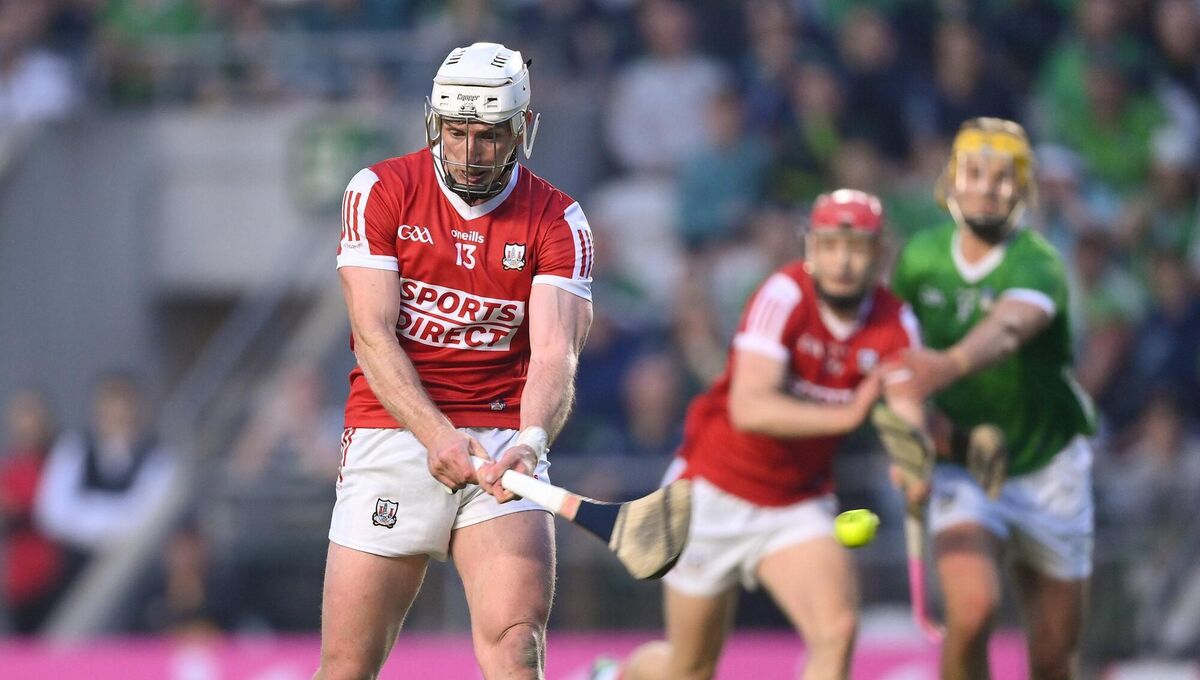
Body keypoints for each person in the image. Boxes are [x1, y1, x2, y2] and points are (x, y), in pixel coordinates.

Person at [319, 42, 594, 680]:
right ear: (433, 122)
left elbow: (556, 351)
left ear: (523, 130)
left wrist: (530, 441)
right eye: (457, 131)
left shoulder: (559, 220)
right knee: (347, 666)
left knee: (516, 645)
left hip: (503, 439)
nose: (470, 153)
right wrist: (435, 433)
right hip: (393, 432)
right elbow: (372, 335)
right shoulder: (379, 190)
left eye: (490, 137)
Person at [595, 189, 923, 680]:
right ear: (810, 248)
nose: (844, 262)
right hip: (711, 490)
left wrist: (913, 459)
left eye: (857, 249)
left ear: (880, 254)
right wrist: (846, 416)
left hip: (795, 501)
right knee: (690, 669)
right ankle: (608, 677)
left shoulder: (897, 322)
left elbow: (906, 409)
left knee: (837, 630)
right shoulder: (783, 295)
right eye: (831, 245)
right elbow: (751, 407)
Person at [890, 118, 1096, 680]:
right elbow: (899, 370)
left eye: (1004, 177)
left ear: (1023, 190)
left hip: (1048, 466)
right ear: (950, 183)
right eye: (974, 173)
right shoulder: (918, 259)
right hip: (964, 467)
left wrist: (950, 364)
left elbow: (1008, 328)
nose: (986, 187)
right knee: (973, 610)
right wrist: (910, 440)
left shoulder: (1039, 262)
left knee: (1055, 655)